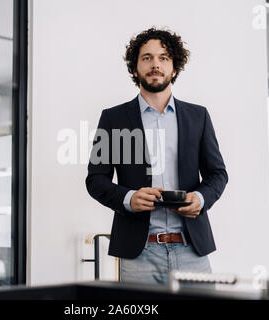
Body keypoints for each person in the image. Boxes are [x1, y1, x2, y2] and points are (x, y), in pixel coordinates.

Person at [85, 27, 228, 286]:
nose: (155, 64)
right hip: (139, 255)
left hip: (192, 251)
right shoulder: (113, 118)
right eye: (147, 57)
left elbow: (218, 174)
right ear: (135, 67)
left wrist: (200, 198)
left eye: (163, 58)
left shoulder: (199, 116)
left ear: (174, 68)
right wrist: (129, 198)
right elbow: (95, 180)